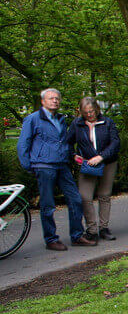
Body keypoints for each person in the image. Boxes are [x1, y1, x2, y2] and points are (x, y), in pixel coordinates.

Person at [17, 88, 94, 250]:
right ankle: (51, 239)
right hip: (43, 166)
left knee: (75, 199)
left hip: (62, 165)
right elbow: (23, 144)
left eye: (57, 98)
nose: (55, 101)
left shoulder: (60, 119)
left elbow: (64, 142)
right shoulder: (33, 119)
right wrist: (29, 166)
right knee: (48, 204)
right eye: (51, 98)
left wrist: (71, 155)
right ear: (43, 101)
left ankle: (77, 235)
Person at [66, 97, 121, 241]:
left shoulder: (107, 122)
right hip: (88, 165)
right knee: (85, 196)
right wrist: (74, 156)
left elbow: (115, 143)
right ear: (81, 112)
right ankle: (91, 229)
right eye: (86, 113)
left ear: (97, 109)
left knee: (104, 195)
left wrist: (101, 157)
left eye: (91, 111)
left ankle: (104, 228)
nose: (89, 115)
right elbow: (68, 143)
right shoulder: (77, 124)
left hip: (107, 162)